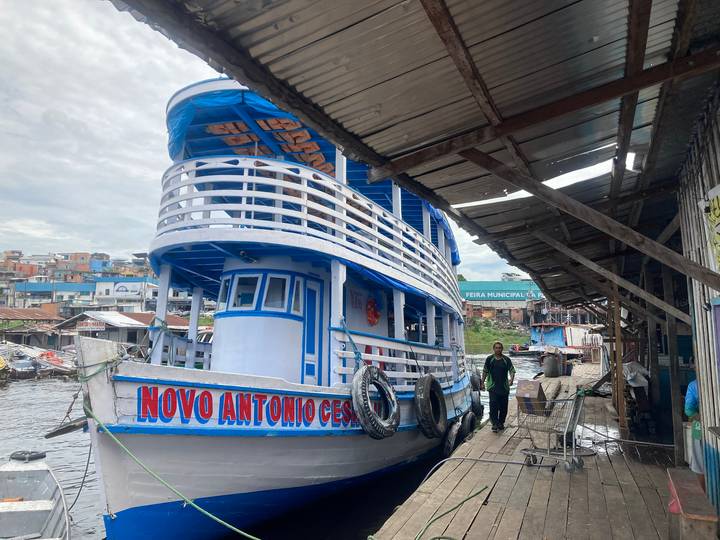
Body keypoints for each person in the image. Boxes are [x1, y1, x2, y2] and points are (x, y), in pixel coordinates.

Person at [481, 341, 515, 433]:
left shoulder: (506, 360)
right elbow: (485, 371)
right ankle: (494, 424)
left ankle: (501, 422)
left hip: (504, 387)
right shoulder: (489, 359)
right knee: (493, 405)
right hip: (492, 387)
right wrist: (482, 382)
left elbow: (512, 370)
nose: (498, 349)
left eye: (500, 347)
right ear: (493, 349)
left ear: (502, 349)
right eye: (496, 347)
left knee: (504, 407)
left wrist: (511, 379)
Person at [684, 378, 705, 491]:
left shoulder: (694, 385)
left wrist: (703, 419)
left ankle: (704, 496)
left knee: (699, 464)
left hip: (698, 426)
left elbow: (689, 410)